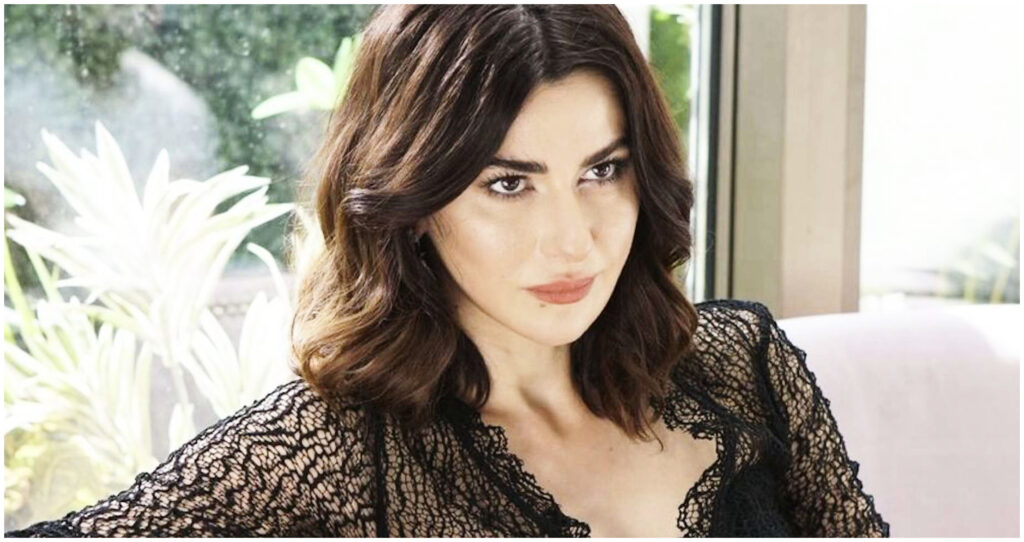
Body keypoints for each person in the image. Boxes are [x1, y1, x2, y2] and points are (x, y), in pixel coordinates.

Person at [5, 5, 890, 538]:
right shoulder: (332, 451)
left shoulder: (738, 363)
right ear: (416, 200)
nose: (573, 242)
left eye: (602, 170)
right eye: (509, 184)